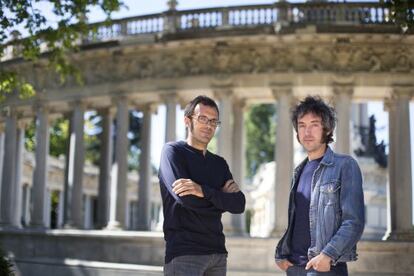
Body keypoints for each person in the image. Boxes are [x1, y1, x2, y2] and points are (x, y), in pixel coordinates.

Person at [275, 96, 365, 276]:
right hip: (294, 269)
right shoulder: (298, 171)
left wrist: (327, 255)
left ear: (327, 128)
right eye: (302, 125)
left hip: (325, 269)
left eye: (314, 124)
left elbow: (353, 221)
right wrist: (282, 258)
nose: (307, 132)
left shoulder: (345, 165)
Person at [159, 95, 246, 276]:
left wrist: (202, 190)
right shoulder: (173, 152)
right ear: (187, 120)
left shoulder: (219, 163)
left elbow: (239, 204)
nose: (209, 125)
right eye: (202, 119)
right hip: (185, 253)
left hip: (217, 253)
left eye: (214, 121)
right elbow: (187, 200)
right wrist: (220, 200)